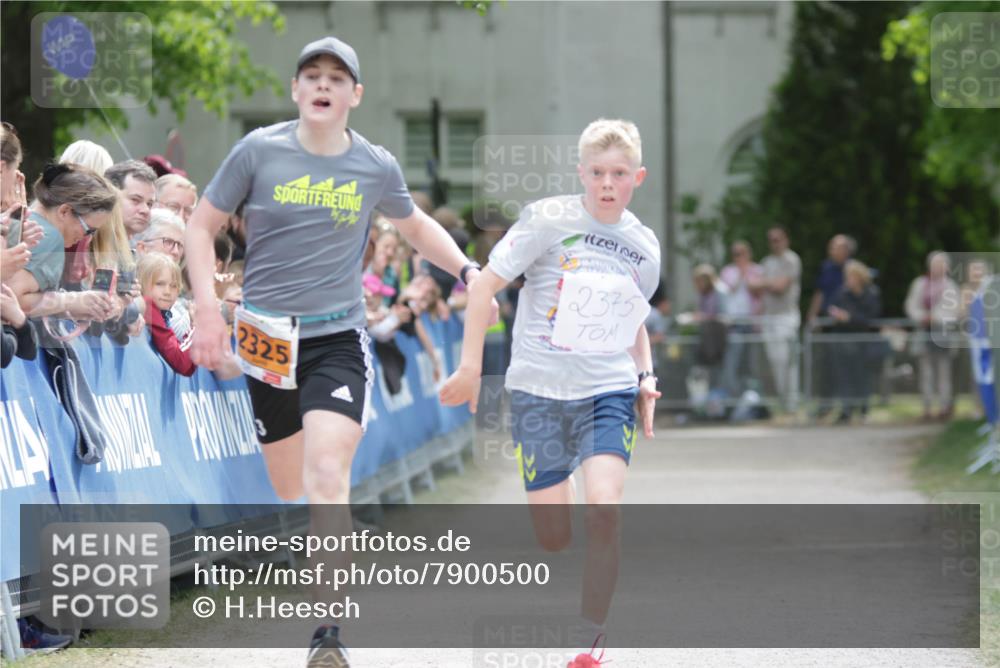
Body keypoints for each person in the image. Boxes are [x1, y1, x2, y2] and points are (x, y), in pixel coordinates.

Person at [185, 36, 485, 668]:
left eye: (337, 77)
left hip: (337, 339)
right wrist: (208, 309)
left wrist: (467, 270)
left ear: (355, 94)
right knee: (288, 481)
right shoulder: (258, 151)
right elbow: (200, 225)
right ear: (296, 89)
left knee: (327, 476)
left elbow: (414, 226)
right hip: (268, 341)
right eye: (312, 74)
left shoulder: (374, 165)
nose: (323, 84)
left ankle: (328, 632)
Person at [440, 118, 661, 662]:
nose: (607, 184)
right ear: (581, 172)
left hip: (606, 392)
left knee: (604, 509)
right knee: (554, 537)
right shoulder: (547, 219)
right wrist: (470, 368)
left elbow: (631, 318)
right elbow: (484, 286)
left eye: (619, 174)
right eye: (597, 172)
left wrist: (645, 376)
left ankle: (590, 641)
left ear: (638, 177)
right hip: (538, 392)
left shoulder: (643, 246)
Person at [7, 164, 119, 323]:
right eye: (89, 230)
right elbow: (12, 299)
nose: (88, 238)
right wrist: (72, 301)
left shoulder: (24, 222)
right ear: (64, 211)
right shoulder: (51, 238)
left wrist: (73, 308)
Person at [905, 251, 960, 421]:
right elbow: (911, 305)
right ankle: (927, 407)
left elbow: (954, 310)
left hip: (942, 333)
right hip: (924, 332)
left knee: (944, 372)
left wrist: (936, 317)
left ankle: (944, 406)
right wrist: (922, 317)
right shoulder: (919, 284)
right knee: (926, 372)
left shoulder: (950, 286)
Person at [806, 234, 854, 418]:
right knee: (826, 366)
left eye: (836, 247)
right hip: (828, 324)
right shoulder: (826, 267)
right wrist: (812, 316)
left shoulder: (852, 268)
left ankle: (847, 407)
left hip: (845, 326)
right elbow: (820, 292)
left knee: (844, 367)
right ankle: (825, 405)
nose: (832, 250)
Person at [827, 260, 882, 423]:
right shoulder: (841, 294)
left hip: (863, 344)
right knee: (844, 377)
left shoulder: (871, 294)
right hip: (843, 343)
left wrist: (849, 318)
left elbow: (871, 319)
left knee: (862, 377)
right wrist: (837, 315)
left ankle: (864, 409)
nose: (848, 280)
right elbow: (831, 309)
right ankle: (846, 410)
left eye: (851, 276)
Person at [757, 226, 802, 411]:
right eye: (771, 240)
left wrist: (765, 283)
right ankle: (782, 400)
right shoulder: (766, 262)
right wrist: (769, 283)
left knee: (787, 360)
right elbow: (756, 286)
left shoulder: (791, 259)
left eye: (777, 239)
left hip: (786, 316)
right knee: (775, 361)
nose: (774, 244)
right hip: (769, 316)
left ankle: (792, 401)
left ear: (785, 240)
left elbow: (780, 287)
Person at [138, 253, 196, 376]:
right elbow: (181, 362)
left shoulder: (160, 311)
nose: (167, 292)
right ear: (141, 283)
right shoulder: (148, 307)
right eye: (159, 284)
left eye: (174, 286)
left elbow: (188, 368)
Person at [719, 240, 763, 397]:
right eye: (736, 254)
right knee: (733, 361)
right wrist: (741, 273)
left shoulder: (757, 270)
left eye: (742, 254)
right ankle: (734, 395)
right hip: (735, 323)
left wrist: (749, 273)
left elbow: (760, 293)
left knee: (752, 362)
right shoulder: (728, 271)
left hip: (752, 322)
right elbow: (729, 289)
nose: (739, 257)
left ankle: (753, 395)